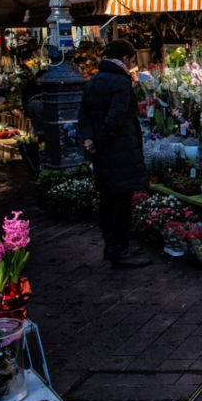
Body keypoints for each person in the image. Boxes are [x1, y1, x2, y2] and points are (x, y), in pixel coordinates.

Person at [79, 40, 150, 269]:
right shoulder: (121, 82)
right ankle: (120, 251)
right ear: (126, 59)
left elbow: (83, 116)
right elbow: (116, 118)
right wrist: (99, 141)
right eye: (131, 61)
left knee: (107, 201)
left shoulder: (91, 83)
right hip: (119, 151)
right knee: (121, 203)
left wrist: (90, 139)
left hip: (102, 154)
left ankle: (110, 247)